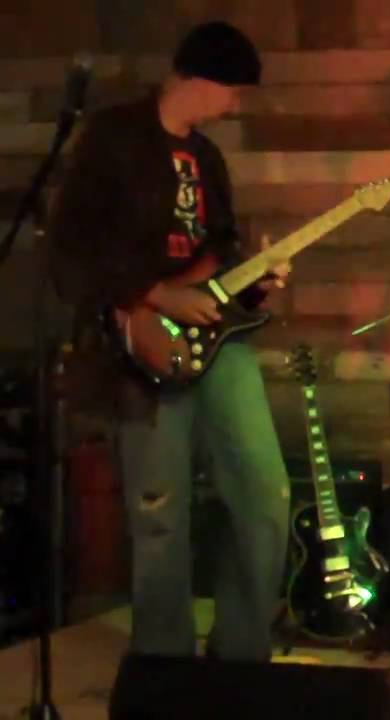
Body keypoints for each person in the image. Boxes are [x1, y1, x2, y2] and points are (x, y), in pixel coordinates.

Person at [49, 22, 292, 661]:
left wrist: (256, 282)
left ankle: (241, 654)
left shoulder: (206, 159)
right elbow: (70, 249)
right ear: (201, 78)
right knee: (159, 515)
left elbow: (220, 253)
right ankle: (164, 665)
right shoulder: (113, 138)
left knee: (266, 495)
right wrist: (154, 297)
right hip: (140, 345)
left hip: (218, 340)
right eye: (232, 91)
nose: (233, 106)